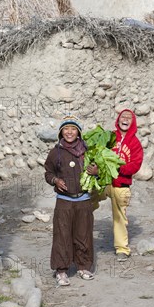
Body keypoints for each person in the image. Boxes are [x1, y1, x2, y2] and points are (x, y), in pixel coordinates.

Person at [44, 115, 97, 286]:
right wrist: (55, 181)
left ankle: (83, 267)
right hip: (64, 200)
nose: (69, 132)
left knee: (84, 233)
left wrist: (95, 172)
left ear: (79, 132)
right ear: (61, 132)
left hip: (83, 199)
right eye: (66, 129)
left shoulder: (88, 151)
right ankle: (61, 271)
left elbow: (99, 171)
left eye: (73, 129)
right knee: (62, 234)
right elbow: (48, 173)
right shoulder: (55, 152)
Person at [87, 109, 143, 262]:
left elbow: (135, 166)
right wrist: (97, 169)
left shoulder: (135, 143)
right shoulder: (110, 137)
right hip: (103, 181)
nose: (125, 119)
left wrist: (115, 168)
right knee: (85, 202)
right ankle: (81, 238)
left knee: (119, 217)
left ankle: (122, 249)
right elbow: (97, 153)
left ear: (133, 123)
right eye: (122, 117)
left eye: (128, 118)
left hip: (121, 185)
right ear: (118, 120)